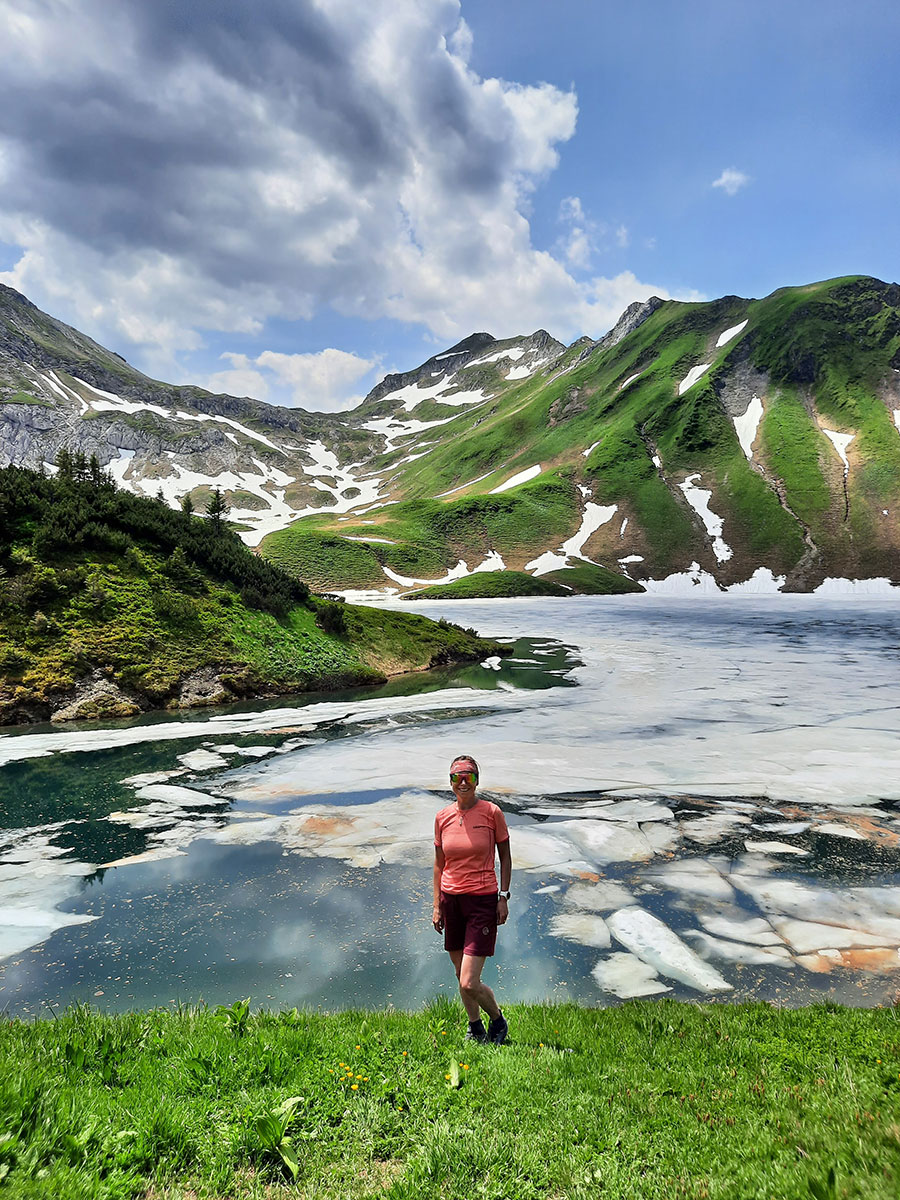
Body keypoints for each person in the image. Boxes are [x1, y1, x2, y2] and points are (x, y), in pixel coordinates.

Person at [432, 753, 511, 1044]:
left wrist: (503, 896)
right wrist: (437, 905)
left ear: (477, 780)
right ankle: (475, 1027)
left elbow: (505, 857)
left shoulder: (492, 813)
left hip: (482, 900)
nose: (463, 782)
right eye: (457, 777)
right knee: (459, 973)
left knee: (469, 980)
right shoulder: (442, 817)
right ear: (450, 781)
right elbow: (439, 864)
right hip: (451, 900)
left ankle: (498, 1021)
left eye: (469, 777)